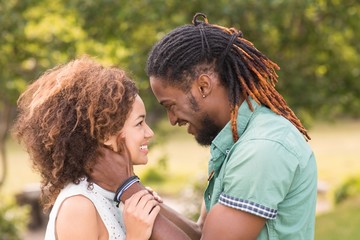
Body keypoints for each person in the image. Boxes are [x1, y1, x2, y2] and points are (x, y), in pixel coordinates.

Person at [90, 13, 318, 240]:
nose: (172, 119)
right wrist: (141, 196)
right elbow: (201, 232)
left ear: (203, 86)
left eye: (171, 105)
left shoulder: (262, 149)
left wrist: (126, 187)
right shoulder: (236, 141)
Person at [13, 57, 161, 240]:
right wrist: (135, 237)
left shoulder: (117, 195)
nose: (149, 133)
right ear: (106, 134)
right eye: (139, 123)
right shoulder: (79, 206)